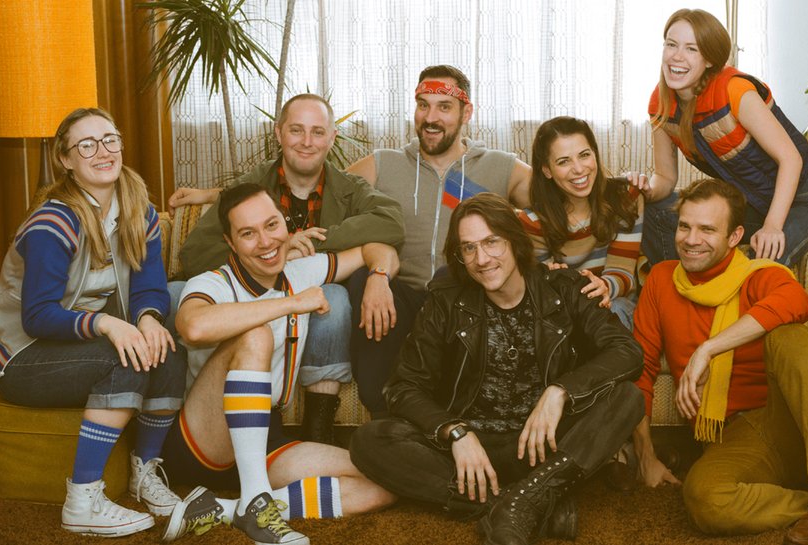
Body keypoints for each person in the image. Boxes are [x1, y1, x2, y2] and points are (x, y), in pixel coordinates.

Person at [630, 178, 808, 544]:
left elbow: (796, 301)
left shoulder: (757, 275)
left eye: (707, 229)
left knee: (790, 336)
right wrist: (646, 456)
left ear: (735, 236)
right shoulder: (661, 280)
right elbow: (640, 368)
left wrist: (709, 349)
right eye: (684, 226)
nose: (691, 239)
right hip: (729, 437)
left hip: (784, 421)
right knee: (705, 498)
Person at [350, 193, 644, 545]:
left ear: (515, 241)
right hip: (471, 450)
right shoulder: (446, 300)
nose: (482, 259)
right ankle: (527, 503)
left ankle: (519, 498)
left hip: (541, 445)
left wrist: (561, 391)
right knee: (370, 440)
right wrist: (455, 432)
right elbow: (403, 387)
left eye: (492, 242)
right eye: (469, 248)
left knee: (627, 398)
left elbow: (627, 352)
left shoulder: (564, 289)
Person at [0, 108, 185, 536]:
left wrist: (150, 319)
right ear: (66, 160)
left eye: (110, 139)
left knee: (166, 347)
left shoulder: (140, 210)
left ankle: (144, 472)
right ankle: (82, 499)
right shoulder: (52, 222)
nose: (103, 152)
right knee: (123, 357)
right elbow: (37, 316)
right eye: (86, 145)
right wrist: (108, 325)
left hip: (76, 343)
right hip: (19, 357)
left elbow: (150, 285)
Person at [160, 183, 395, 544]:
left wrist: (379, 278)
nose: (266, 242)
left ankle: (231, 508)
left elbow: (374, 249)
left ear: (286, 224)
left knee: (380, 481)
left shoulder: (299, 273)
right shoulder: (212, 283)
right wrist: (291, 304)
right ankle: (257, 504)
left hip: (265, 436)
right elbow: (193, 325)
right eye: (248, 234)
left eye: (272, 225)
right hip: (204, 439)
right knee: (255, 336)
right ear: (230, 242)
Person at [169, 93, 405, 443]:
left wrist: (317, 243)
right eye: (296, 130)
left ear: (332, 138)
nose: (307, 142)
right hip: (245, 293)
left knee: (333, 297)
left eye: (317, 132)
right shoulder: (249, 187)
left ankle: (317, 429)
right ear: (278, 133)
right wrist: (275, 249)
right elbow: (196, 254)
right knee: (173, 296)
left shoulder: (349, 188)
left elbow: (391, 224)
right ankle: (169, 422)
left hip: (308, 299)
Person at [346, 64, 533, 415]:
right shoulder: (383, 165)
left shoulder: (500, 167)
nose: (430, 118)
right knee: (362, 279)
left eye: (444, 107)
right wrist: (376, 271)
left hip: (462, 302)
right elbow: (323, 197)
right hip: (400, 297)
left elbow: (562, 198)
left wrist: (629, 186)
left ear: (466, 113)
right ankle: (383, 410)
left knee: (451, 278)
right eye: (423, 105)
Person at [629, 9, 808, 268]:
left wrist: (772, 226)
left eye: (691, 49)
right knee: (656, 212)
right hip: (749, 206)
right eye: (671, 44)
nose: (677, 56)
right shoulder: (660, 103)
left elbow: (791, 159)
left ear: (709, 59)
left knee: (764, 254)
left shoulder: (735, 90)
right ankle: (675, 286)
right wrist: (645, 191)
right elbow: (664, 176)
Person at [518, 116, 643, 329]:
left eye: (584, 155)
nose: (578, 169)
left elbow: (623, 272)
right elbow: (546, 290)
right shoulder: (533, 222)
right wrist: (555, 278)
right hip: (567, 308)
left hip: (616, 302)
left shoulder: (625, 197)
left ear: (595, 154)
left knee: (613, 311)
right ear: (547, 170)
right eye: (563, 161)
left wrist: (603, 286)